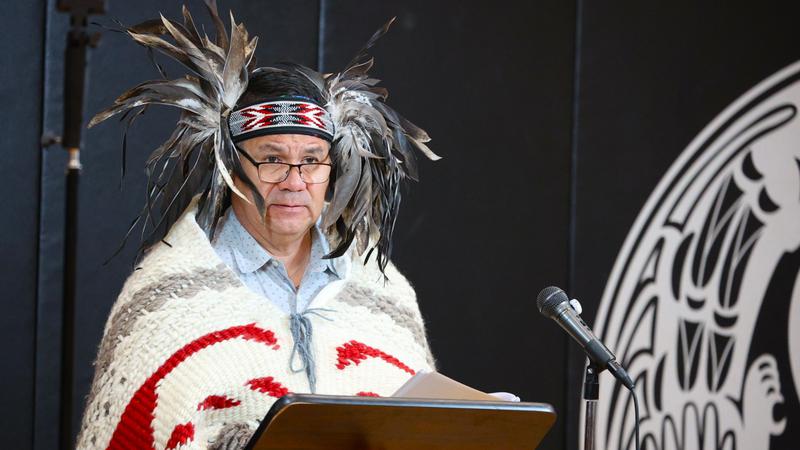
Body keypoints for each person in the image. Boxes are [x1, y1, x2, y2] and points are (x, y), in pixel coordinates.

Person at [76, 3, 438, 449]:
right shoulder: (167, 300)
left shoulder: (383, 294)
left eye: (311, 161)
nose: (294, 182)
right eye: (272, 159)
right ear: (231, 165)